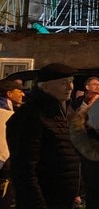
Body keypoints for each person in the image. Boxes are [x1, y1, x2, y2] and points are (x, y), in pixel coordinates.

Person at [7, 63, 81, 209]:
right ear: (45, 86)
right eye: (63, 83)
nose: (70, 87)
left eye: (71, 81)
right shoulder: (30, 116)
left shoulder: (66, 112)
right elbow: (24, 169)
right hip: (46, 200)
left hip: (65, 200)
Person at [0, 79, 23, 209]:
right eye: (19, 91)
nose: (23, 94)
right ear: (9, 94)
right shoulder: (8, 115)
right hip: (5, 164)